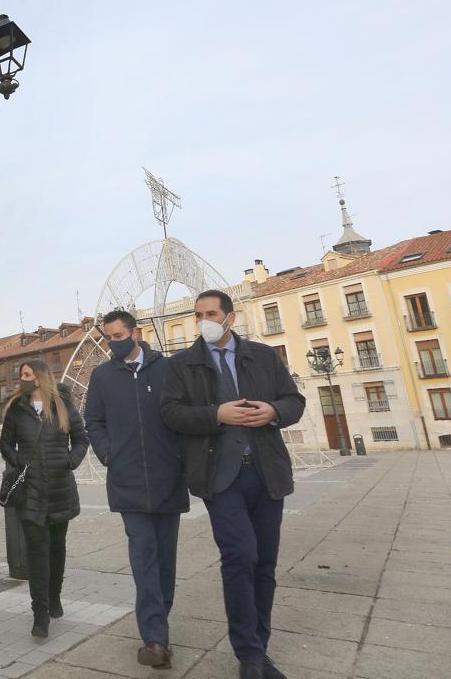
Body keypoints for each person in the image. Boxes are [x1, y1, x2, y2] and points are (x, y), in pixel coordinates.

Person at [160, 290, 305, 679]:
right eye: (198, 314)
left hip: (266, 473)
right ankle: (249, 656)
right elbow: (171, 413)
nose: (203, 320)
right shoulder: (182, 364)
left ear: (230, 317)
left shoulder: (263, 355)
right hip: (220, 478)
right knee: (240, 557)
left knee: (265, 564)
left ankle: (259, 648)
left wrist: (274, 411)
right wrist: (215, 414)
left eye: (210, 313)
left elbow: (295, 401)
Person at [84, 310, 189, 668]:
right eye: (109, 338)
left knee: (165, 562)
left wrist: (180, 456)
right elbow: (93, 421)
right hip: (127, 481)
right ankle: (155, 638)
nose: (113, 343)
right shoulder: (102, 377)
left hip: (167, 479)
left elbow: (184, 413)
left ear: (137, 333)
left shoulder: (167, 368)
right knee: (143, 559)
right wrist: (107, 452)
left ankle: (160, 623)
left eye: (118, 336)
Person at [0, 359, 90, 637]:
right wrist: (17, 461)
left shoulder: (62, 404)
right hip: (30, 491)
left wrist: (71, 460)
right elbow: (4, 442)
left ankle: (55, 596)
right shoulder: (16, 408)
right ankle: (40, 614)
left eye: (27, 374)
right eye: (21, 374)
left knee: (56, 548)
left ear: (40, 377)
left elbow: (81, 438)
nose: (22, 379)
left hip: (60, 489)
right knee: (37, 552)